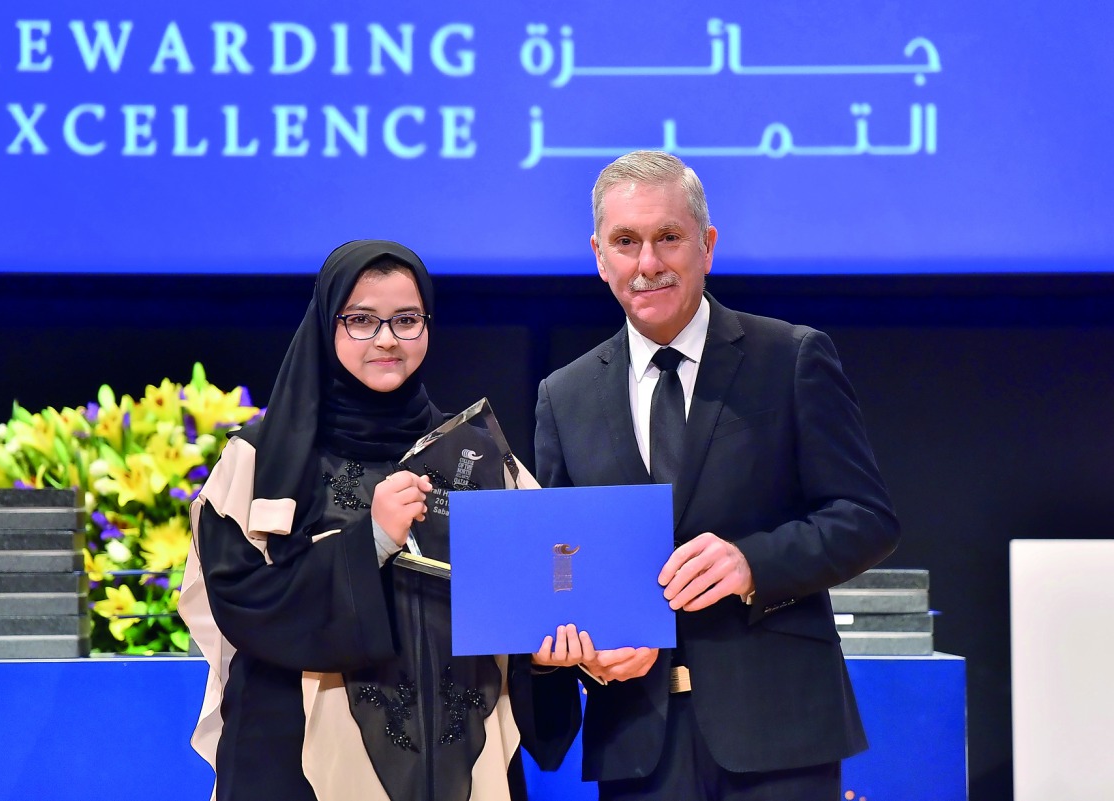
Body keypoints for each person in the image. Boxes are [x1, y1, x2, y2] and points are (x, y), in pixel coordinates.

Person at [511, 152, 900, 800]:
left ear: (707, 244)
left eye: (668, 236)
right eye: (625, 242)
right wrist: (586, 648)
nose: (648, 262)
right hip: (636, 741)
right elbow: (564, 559)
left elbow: (866, 517)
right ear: (599, 256)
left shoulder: (791, 357)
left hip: (781, 733)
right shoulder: (565, 394)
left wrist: (752, 563)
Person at [178, 240, 524, 801]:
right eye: (362, 320)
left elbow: (529, 590)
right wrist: (372, 541)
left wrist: (565, 652)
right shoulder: (263, 459)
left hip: (462, 752)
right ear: (327, 326)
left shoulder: (475, 455)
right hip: (300, 760)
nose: (387, 339)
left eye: (406, 320)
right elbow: (240, 602)